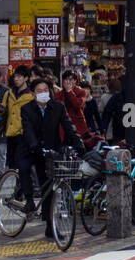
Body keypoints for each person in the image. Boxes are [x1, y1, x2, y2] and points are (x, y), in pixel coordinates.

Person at [19, 75, 85, 239]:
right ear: (33, 94)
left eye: (45, 90)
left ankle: (50, 226)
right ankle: (28, 200)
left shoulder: (58, 107)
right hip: (29, 149)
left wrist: (79, 144)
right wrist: (35, 146)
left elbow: (69, 127)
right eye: (39, 91)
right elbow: (27, 130)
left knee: (48, 187)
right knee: (24, 168)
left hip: (50, 150)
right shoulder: (26, 109)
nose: (43, 93)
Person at [0, 66, 34, 177]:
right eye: (15, 76)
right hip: (10, 132)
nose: (16, 79)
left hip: (23, 133)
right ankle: (17, 187)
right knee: (12, 164)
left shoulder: (31, 95)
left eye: (19, 76)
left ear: (26, 78)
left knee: (21, 162)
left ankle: (21, 187)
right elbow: (4, 112)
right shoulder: (9, 93)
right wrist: (1, 109)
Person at [55, 69, 91, 139]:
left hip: (78, 126)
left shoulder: (81, 92)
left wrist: (69, 91)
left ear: (75, 81)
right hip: (63, 127)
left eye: (71, 79)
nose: (68, 82)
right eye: (66, 79)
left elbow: (77, 105)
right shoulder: (58, 94)